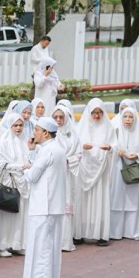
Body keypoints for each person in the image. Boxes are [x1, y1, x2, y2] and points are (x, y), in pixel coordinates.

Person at [18, 117, 66, 278]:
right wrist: (32, 153)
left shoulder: (48, 151)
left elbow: (32, 176)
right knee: (49, 250)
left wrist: (24, 168)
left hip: (43, 207)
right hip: (52, 206)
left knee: (40, 250)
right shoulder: (57, 149)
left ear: (46, 133)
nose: (34, 133)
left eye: (37, 130)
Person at [0, 112, 31, 257]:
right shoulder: (4, 141)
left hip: (22, 182)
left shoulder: (25, 140)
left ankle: (17, 244)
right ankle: (2, 245)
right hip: (8, 182)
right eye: (15, 125)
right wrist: (19, 167)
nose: (18, 128)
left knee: (19, 214)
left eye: (21, 125)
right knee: (5, 214)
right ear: (10, 126)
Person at [74, 99, 115, 246]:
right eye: (94, 113)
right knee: (82, 201)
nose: (97, 116)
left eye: (99, 113)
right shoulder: (81, 128)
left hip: (101, 171)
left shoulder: (108, 128)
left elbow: (115, 146)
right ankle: (79, 233)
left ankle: (100, 234)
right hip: (85, 169)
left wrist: (109, 148)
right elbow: (75, 146)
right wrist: (82, 147)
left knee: (100, 200)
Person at [109, 107, 139, 241]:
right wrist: (117, 151)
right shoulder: (115, 132)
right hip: (118, 168)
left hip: (135, 170)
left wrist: (137, 155)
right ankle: (115, 232)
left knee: (133, 201)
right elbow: (109, 148)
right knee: (117, 198)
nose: (128, 119)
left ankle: (132, 231)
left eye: (130, 117)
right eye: (125, 116)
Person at [52, 104, 81, 252]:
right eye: (55, 117)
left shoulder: (73, 134)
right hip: (53, 176)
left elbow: (79, 153)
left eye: (61, 117)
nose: (58, 120)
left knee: (67, 205)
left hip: (68, 174)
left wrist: (68, 160)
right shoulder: (51, 132)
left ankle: (65, 241)